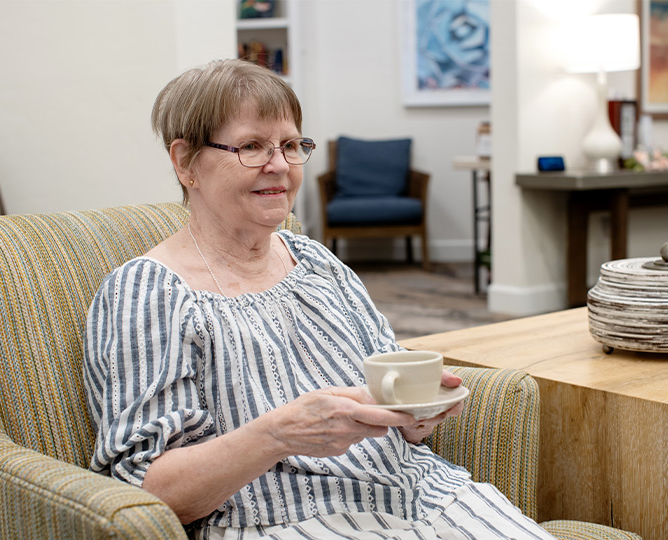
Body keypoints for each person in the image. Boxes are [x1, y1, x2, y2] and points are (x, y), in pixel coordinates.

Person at [84, 59, 555, 540]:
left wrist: (418, 415)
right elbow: (145, 493)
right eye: (251, 146)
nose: (280, 166)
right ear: (185, 162)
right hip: (287, 522)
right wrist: (278, 435)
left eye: (290, 145)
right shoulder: (148, 294)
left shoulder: (316, 262)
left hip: (425, 496)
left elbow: (386, 395)